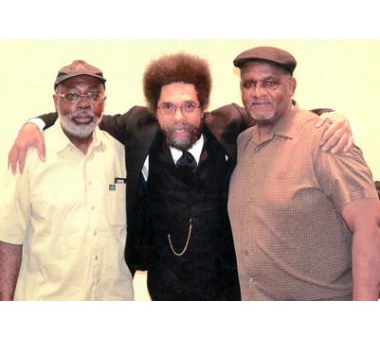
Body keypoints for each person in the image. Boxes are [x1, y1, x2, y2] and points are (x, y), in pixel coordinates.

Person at [7, 53, 353, 301]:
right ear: (154, 111)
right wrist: (33, 124)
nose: (179, 117)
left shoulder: (231, 125)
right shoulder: (136, 129)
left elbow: (283, 114)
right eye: (168, 107)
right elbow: (81, 114)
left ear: (204, 108)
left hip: (231, 291)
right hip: (165, 291)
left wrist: (332, 115)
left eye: (189, 106)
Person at [227, 46, 380, 301]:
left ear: (292, 86)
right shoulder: (242, 143)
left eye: (270, 83)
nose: (258, 93)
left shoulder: (326, 139)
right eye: (248, 84)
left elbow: (370, 228)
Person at [0, 60, 134, 300]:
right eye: (71, 96)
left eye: (93, 95)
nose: (83, 104)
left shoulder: (121, 154)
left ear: (103, 101)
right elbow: (9, 239)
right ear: (56, 101)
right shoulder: (28, 156)